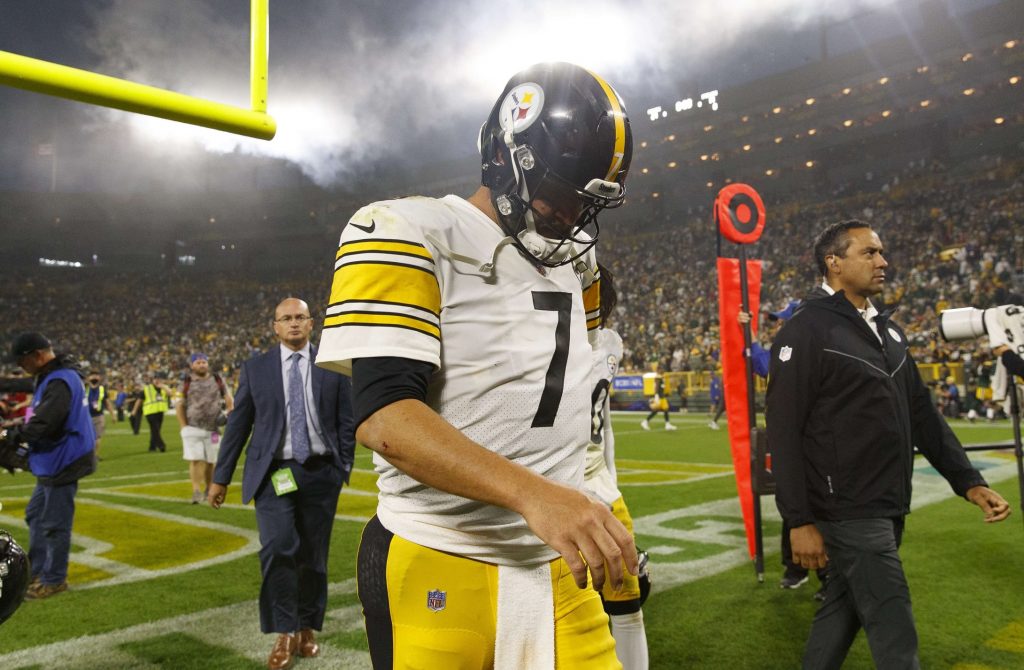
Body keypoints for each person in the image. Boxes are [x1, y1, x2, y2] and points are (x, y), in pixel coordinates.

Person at [316, 61, 638, 668]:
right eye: (564, 193)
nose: (572, 217)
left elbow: (573, 407)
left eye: (587, 202)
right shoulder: (405, 229)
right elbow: (386, 419)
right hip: (440, 550)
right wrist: (535, 496)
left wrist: (596, 501)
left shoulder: (580, 266)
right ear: (505, 156)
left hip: (561, 562)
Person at [766, 220, 1011, 669]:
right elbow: (782, 430)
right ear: (834, 263)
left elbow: (922, 416)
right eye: (870, 253)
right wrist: (799, 520)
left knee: (841, 614)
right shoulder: (807, 330)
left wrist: (969, 482)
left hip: (887, 502)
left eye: (881, 252)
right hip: (848, 508)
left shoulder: (888, 331)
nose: (883, 262)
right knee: (894, 626)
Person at [208, 297, 355, 670]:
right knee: (277, 547)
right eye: (285, 318)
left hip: (321, 473)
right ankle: (285, 630)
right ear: (274, 326)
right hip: (275, 474)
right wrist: (220, 478)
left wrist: (343, 465)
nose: (292, 324)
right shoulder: (256, 369)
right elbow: (238, 425)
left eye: (299, 317)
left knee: (313, 557)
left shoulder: (333, 365)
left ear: (311, 323)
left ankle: (307, 626)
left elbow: (347, 421)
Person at [741, 302, 831, 598]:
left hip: (815, 443)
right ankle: (796, 567)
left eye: (782, 321)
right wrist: (748, 330)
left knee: (820, 508)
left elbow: (765, 364)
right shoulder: (785, 349)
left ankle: (827, 574)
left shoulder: (810, 350)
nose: (778, 326)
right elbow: (761, 362)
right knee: (792, 504)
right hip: (789, 440)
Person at [586, 265, 650, 669]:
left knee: (629, 606)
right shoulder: (608, 342)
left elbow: (605, 424)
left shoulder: (608, 342)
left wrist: (613, 485)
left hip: (598, 490)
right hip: (565, 491)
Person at [2, 332, 96, 599]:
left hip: (63, 460)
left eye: (22, 361)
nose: (21, 367)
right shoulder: (54, 376)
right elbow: (25, 395)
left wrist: (9, 434)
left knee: (55, 522)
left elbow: (43, 425)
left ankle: (54, 579)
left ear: (37, 356)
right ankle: (37, 571)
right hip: (54, 459)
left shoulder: (59, 381)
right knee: (36, 513)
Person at [176, 352, 234, 504]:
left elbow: (228, 397)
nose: (201, 365)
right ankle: (196, 491)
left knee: (211, 460)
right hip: (193, 428)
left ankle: (209, 488)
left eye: (204, 362)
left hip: (214, 428)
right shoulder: (186, 381)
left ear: (207, 364)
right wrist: (183, 426)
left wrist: (229, 414)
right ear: (192, 365)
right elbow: (179, 404)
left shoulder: (217, 379)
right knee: (195, 459)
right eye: (198, 362)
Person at [136, 372, 170, 452]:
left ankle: (152, 447)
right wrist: (134, 411)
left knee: (156, 430)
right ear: (152, 380)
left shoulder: (164, 388)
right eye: (155, 379)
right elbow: (139, 400)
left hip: (160, 411)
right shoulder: (147, 389)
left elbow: (170, 394)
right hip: (150, 412)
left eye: (159, 379)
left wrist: (164, 387)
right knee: (155, 429)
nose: (157, 381)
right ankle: (161, 445)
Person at [85, 371, 114, 458]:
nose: (94, 377)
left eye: (96, 375)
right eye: (92, 375)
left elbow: (107, 402)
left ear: (100, 378)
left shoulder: (102, 389)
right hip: (86, 416)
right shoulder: (84, 388)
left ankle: (95, 455)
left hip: (99, 416)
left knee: (98, 436)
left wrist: (113, 414)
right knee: (87, 437)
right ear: (88, 378)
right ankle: (88, 455)